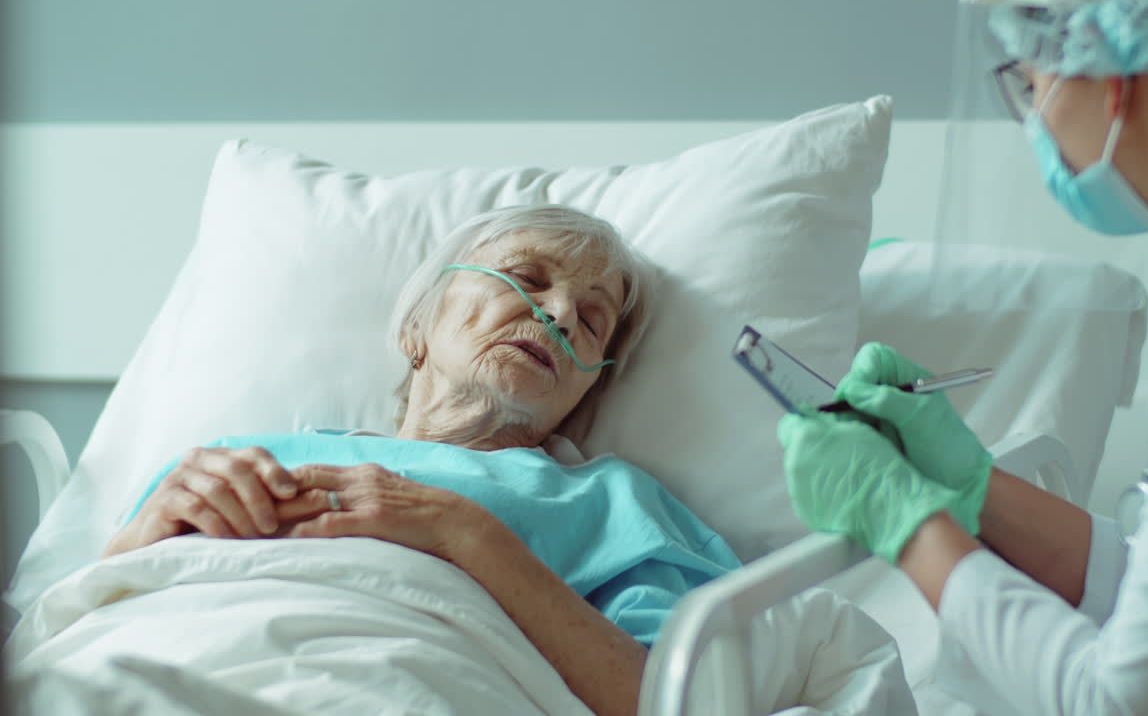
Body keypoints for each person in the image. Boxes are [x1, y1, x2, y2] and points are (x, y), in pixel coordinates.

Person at [778, 0, 1148, 714]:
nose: (1034, 117)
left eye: (1029, 79)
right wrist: (977, 489)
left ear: (1110, 68)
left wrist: (905, 522)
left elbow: (1129, 700)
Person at [84, 204, 740, 716]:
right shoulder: (241, 456)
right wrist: (148, 532)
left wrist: (465, 533)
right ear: (416, 326)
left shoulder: (611, 504)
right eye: (528, 279)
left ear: (585, 390)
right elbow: (94, 611)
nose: (562, 314)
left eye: (593, 321)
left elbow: (669, 701)